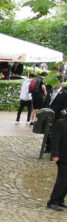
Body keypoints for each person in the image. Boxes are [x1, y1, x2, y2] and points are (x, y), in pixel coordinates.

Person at [47, 82, 67, 211]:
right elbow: (55, 140)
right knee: (62, 180)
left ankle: (60, 199)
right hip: (63, 157)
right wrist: (55, 154)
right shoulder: (61, 123)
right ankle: (53, 201)